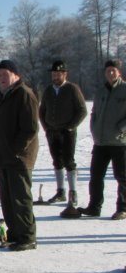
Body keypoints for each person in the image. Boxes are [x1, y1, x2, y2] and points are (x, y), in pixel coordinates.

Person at [0, 60, 39, 251]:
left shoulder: (24, 94)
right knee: (7, 198)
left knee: (20, 198)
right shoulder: (4, 96)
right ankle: (15, 232)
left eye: (5, 74)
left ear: (15, 75)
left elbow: (30, 129)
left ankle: (27, 236)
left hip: (19, 157)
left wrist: (15, 150)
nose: (1, 78)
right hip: (4, 157)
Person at [77, 59, 126, 220]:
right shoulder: (101, 91)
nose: (110, 73)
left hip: (120, 142)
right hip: (101, 142)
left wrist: (121, 128)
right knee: (96, 176)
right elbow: (94, 113)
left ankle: (122, 208)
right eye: (108, 71)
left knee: (122, 177)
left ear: (119, 72)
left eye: (113, 70)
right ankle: (94, 206)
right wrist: (94, 128)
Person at [38, 60, 87, 205]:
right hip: (52, 132)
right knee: (57, 161)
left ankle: (73, 192)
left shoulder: (72, 89)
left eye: (58, 74)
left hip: (67, 132)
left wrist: (71, 127)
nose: (55, 77)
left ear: (64, 74)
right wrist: (46, 128)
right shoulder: (48, 90)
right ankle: (60, 191)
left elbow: (82, 111)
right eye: (53, 74)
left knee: (69, 161)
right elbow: (42, 111)